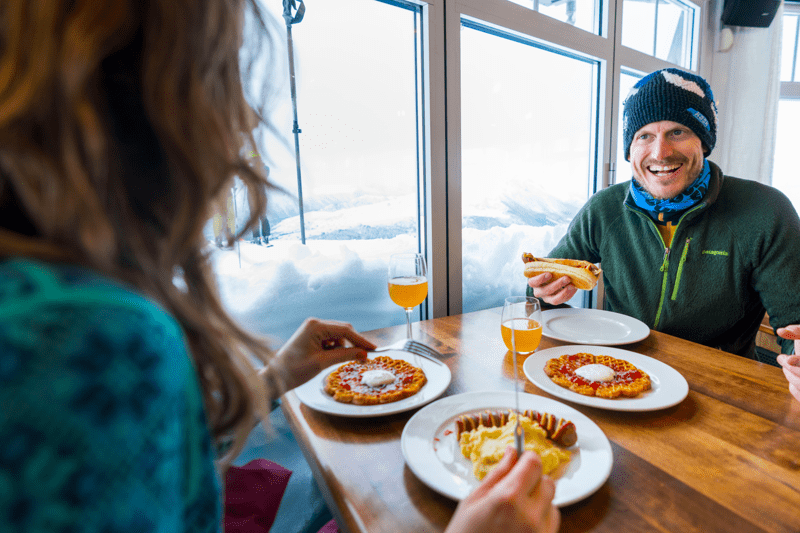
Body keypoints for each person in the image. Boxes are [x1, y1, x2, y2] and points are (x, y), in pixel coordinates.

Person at [0, 1, 558, 532]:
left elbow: (156, 452)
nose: (243, 120)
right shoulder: (87, 335)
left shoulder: (47, 298)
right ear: (142, 98)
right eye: (219, 77)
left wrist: (272, 379)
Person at [528, 67, 800, 401]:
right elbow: (539, 290)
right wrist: (545, 291)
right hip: (619, 379)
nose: (660, 153)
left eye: (678, 132)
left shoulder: (764, 210)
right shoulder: (605, 209)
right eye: (644, 136)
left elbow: (795, 323)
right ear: (630, 149)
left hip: (719, 391)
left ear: (704, 141)